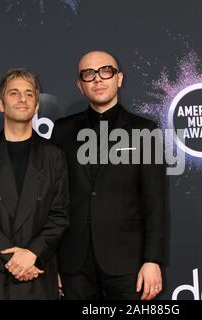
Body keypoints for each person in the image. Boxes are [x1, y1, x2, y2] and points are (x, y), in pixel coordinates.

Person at [51, 51, 166, 300]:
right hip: (74, 262)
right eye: (88, 74)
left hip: (127, 261)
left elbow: (155, 201)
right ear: (79, 85)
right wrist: (52, 262)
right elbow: (54, 200)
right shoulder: (61, 131)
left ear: (119, 78)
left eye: (106, 71)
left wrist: (152, 260)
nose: (98, 79)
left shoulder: (144, 130)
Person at [0, 68, 69, 299]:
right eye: (14, 93)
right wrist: (12, 259)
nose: (23, 99)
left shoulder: (55, 155)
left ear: (37, 105)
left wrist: (32, 253)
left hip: (38, 271)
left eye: (29, 94)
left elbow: (60, 215)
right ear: (0, 104)